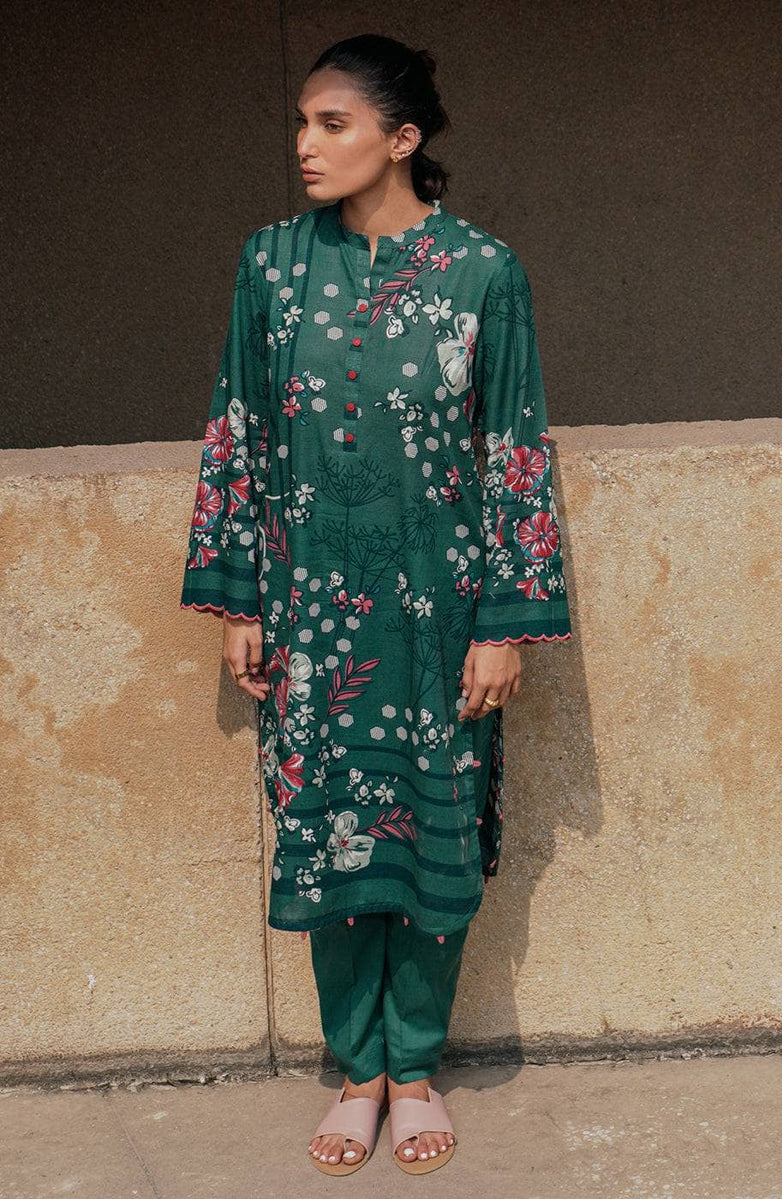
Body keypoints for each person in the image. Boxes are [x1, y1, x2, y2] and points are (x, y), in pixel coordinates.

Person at [179, 33, 573, 1177]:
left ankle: (415, 1069)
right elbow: (239, 429)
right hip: (311, 617)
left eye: (332, 123)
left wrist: (502, 621)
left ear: (400, 138)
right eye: (300, 123)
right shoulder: (269, 264)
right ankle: (358, 1072)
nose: (304, 145)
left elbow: (513, 450)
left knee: (430, 841)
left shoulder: (481, 272)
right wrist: (242, 601)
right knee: (330, 842)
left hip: (439, 616)